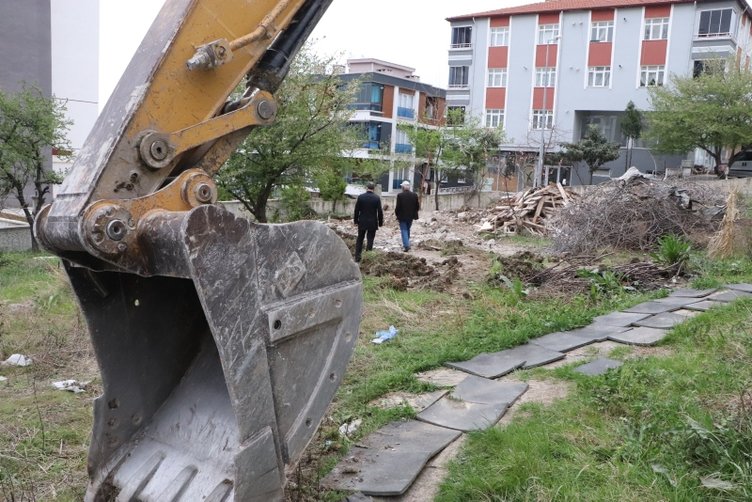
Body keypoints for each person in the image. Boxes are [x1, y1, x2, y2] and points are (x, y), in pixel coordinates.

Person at [353, 181, 383, 262]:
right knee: (370, 239)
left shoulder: (361, 197)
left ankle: (357, 257)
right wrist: (380, 222)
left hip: (362, 221)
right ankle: (367, 257)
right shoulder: (376, 198)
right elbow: (379, 211)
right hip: (373, 222)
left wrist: (355, 220)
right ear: (374, 188)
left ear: (367, 187)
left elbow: (356, 210)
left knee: (360, 239)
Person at [395, 180, 419, 252]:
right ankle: (407, 243)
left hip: (402, 216)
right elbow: (417, 206)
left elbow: (398, 207)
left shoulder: (400, 195)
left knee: (404, 230)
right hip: (411, 216)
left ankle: (406, 245)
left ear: (403, 187)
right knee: (407, 229)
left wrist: (397, 214)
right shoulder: (414, 195)